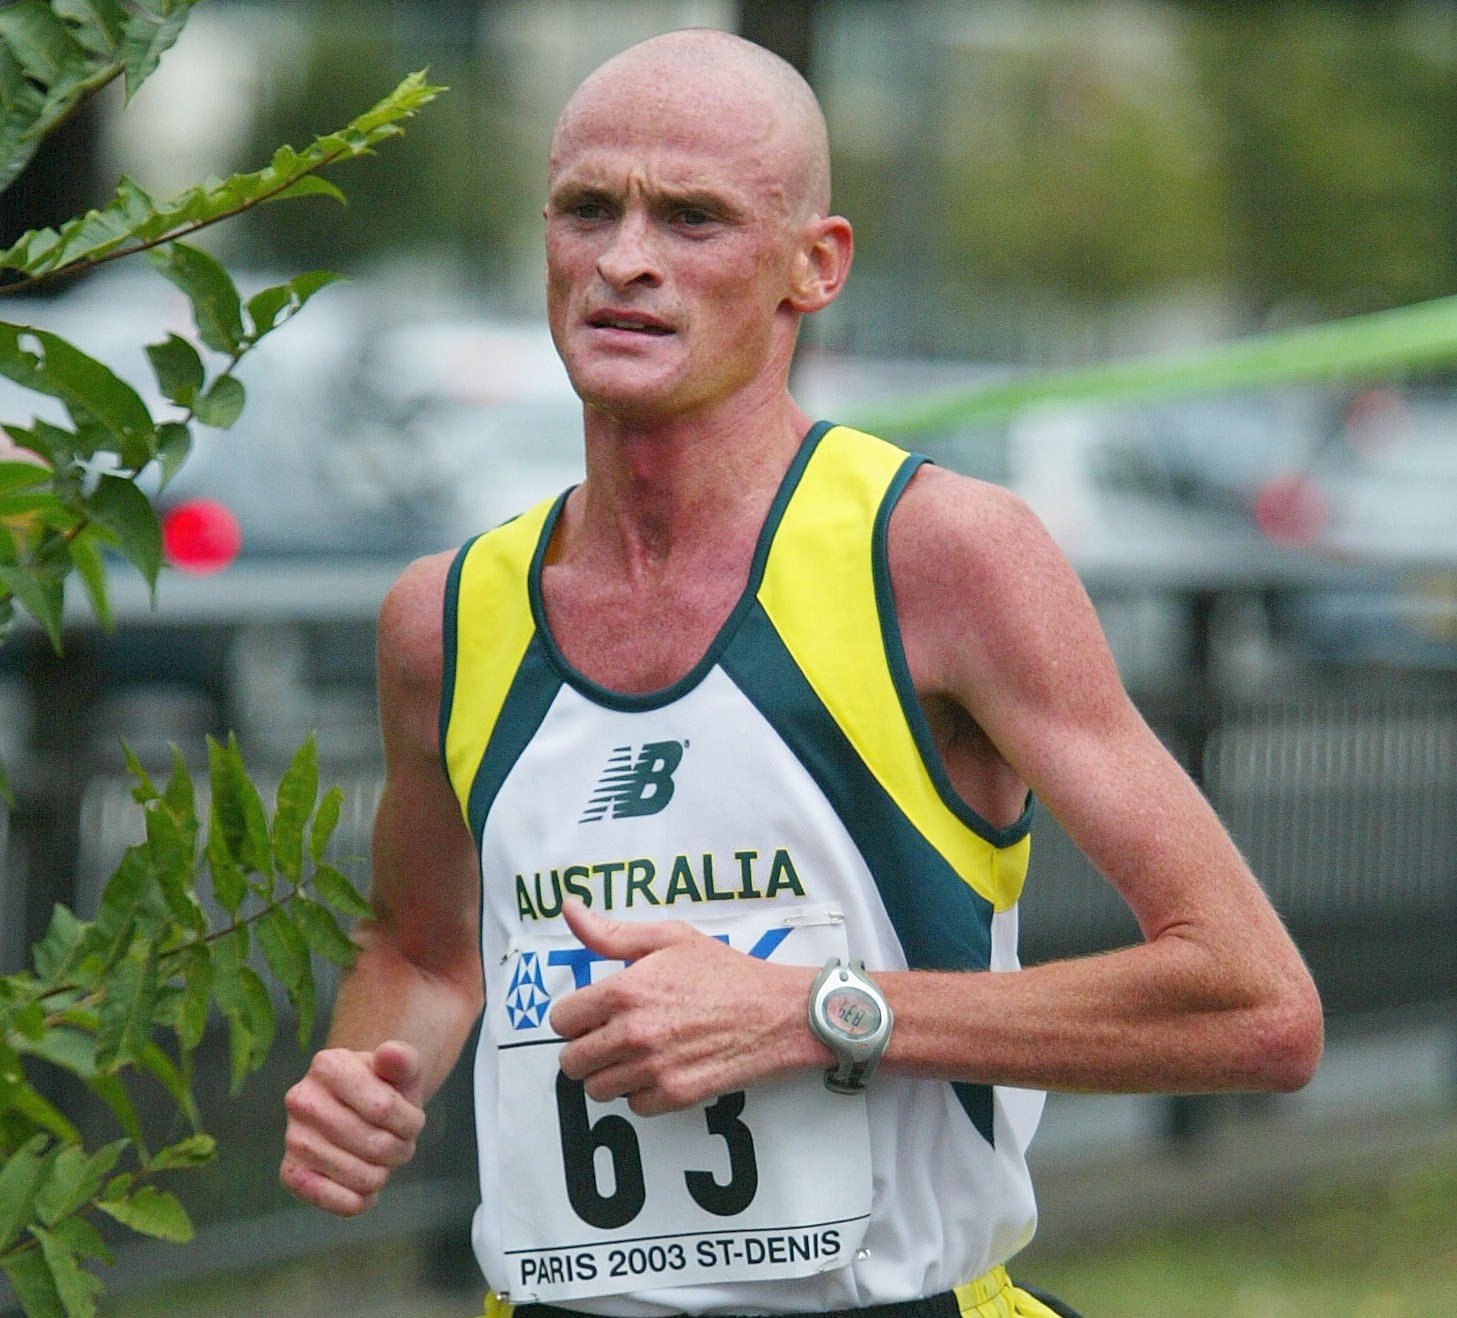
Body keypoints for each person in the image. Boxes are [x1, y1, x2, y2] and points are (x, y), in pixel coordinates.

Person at [279, 27, 1323, 1318]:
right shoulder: (443, 616)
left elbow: (1254, 1005)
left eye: (694, 217)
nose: (625, 259)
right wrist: (362, 1076)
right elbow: (427, 955)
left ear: (811, 266)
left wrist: (816, 1011)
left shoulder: (940, 555)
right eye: (587, 208)